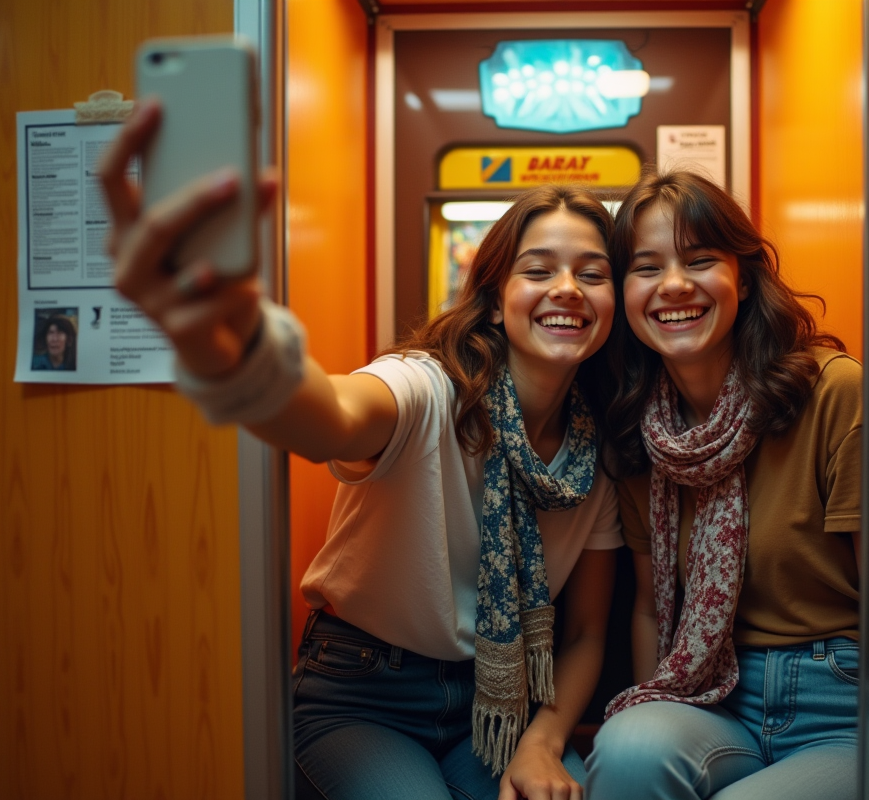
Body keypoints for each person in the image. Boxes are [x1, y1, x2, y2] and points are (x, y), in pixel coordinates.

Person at [99, 98, 622, 800]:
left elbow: (586, 630)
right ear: (496, 299)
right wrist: (236, 346)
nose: (567, 289)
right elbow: (330, 418)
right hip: (360, 693)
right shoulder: (427, 390)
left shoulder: (596, 454)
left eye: (592, 273)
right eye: (539, 270)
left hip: (496, 703)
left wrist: (542, 745)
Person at [586, 171, 861, 800]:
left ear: (744, 275)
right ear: (625, 294)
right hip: (713, 696)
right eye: (647, 267)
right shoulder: (640, 431)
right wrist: (654, 700)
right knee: (627, 748)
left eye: (701, 259)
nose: (675, 285)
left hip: (841, 705)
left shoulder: (834, 393)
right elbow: (653, 609)